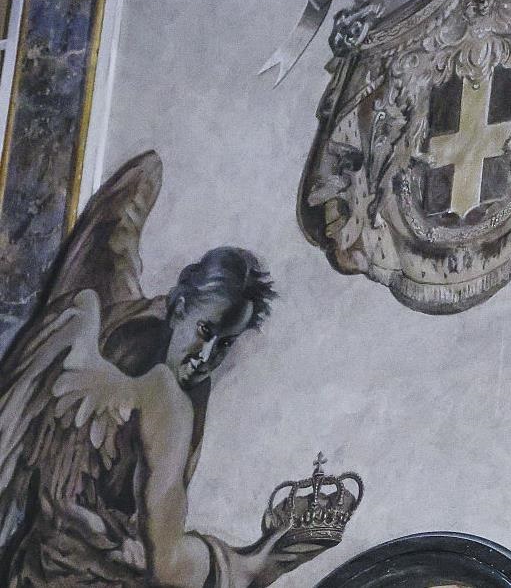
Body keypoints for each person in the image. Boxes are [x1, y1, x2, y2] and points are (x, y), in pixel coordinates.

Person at [0, 153, 322, 587]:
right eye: (205, 331)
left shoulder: (99, 325)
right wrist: (260, 561)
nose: (206, 357)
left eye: (225, 343)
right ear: (179, 306)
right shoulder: (166, 400)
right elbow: (168, 568)